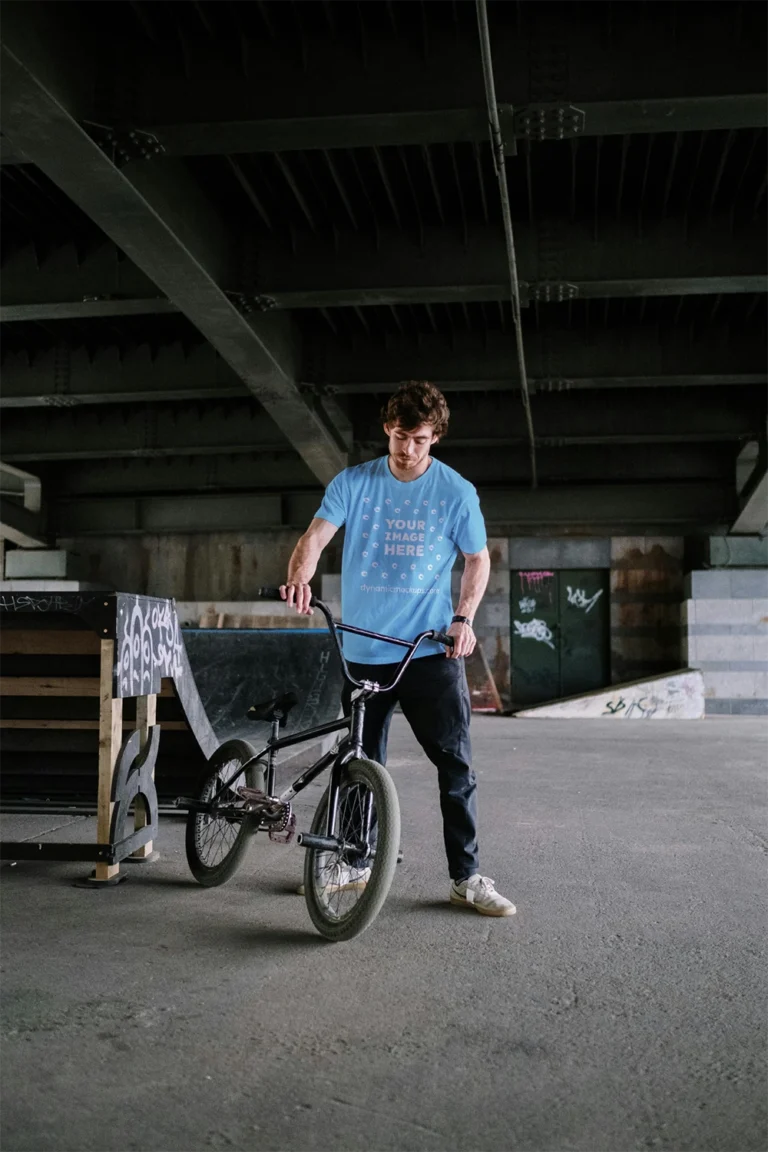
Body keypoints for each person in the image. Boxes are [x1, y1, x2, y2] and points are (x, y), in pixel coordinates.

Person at [281, 380, 515, 918]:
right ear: (388, 429)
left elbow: (477, 561)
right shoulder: (354, 483)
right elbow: (315, 537)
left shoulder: (456, 493)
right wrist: (299, 576)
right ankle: (356, 861)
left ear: (435, 438)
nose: (408, 449)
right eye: (400, 436)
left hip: (429, 652)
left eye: (420, 439)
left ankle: (466, 877)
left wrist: (463, 619)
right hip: (362, 650)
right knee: (361, 762)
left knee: (455, 766)